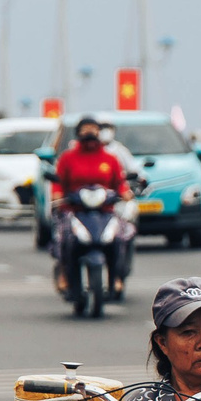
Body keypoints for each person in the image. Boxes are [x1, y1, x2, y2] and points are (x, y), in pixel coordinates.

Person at [50, 117, 134, 294]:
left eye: (93, 129)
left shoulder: (110, 158)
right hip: (74, 210)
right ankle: (64, 272)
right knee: (63, 237)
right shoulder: (68, 158)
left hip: (104, 211)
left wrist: (125, 193)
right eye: (85, 129)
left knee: (120, 236)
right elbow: (58, 182)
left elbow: (119, 182)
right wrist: (57, 195)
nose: (89, 133)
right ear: (79, 133)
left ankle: (117, 275)